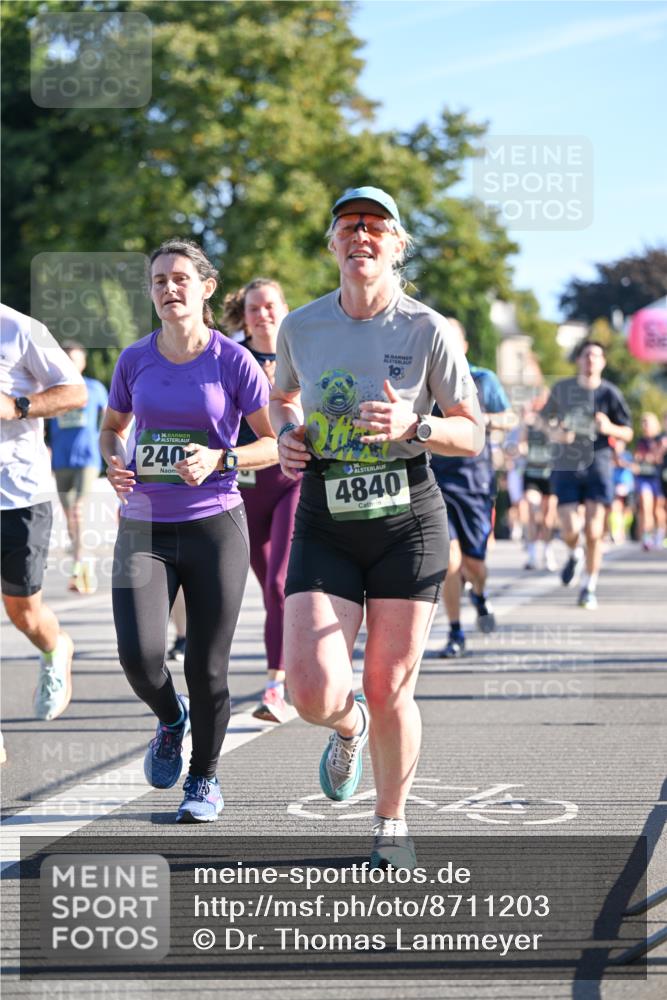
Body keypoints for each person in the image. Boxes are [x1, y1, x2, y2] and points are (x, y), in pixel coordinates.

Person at [270, 186, 483, 868]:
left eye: (376, 226)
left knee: (390, 683)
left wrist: (415, 424)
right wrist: (285, 437)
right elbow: (281, 398)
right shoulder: (300, 326)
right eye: (348, 225)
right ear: (332, 244)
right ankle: (346, 726)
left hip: (406, 522)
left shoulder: (427, 330)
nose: (361, 234)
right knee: (310, 692)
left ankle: (390, 822)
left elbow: (472, 433)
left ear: (396, 246)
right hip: (326, 514)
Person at [100, 238, 277, 823]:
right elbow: (113, 426)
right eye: (158, 281)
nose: (169, 289)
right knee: (139, 654)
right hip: (144, 523)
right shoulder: (135, 359)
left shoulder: (233, 361)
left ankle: (203, 779)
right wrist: (112, 459)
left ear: (205, 288)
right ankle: (171, 718)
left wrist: (221, 459)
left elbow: (271, 443)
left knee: (207, 667)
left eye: (180, 278)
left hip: (214, 524)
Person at [1, 303, 86, 723]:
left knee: (24, 611)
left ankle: (56, 647)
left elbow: (74, 391)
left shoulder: (17, 327)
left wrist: (16, 406)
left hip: (17, 494)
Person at [222, 278, 299, 723]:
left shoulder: (302, 347)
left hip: (291, 477)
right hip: (244, 482)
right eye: (254, 308)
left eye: (271, 305)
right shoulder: (232, 355)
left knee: (280, 582)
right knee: (270, 589)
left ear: (285, 308)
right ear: (244, 314)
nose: (263, 314)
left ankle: (276, 687)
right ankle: (304, 657)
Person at [431, 319, 512, 659]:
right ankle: (455, 630)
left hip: (474, 480)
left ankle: (479, 594)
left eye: (453, 339)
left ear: (463, 345)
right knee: (449, 561)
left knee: (474, 564)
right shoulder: (425, 379)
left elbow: (509, 418)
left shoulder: (482, 379)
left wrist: (484, 420)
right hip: (435, 478)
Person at [543, 340, 632, 609]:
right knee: (570, 529)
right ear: (579, 360)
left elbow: (628, 431)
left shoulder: (610, 394)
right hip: (568, 465)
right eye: (586, 355)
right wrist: (559, 434)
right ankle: (574, 552)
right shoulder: (562, 389)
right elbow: (545, 424)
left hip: (599, 464)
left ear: (603, 362)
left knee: (594, 532)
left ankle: (588, 586)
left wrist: (610, 428)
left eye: (596, 355)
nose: (591, 359)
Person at [48, 341, 108, 594]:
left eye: (75, 358)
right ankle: (82, 560)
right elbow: (42, 423)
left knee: (77, 509)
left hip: (87, 458)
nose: (72, 363)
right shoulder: (52, 390)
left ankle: (79, 561)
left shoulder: (94, 388)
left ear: (83, 362)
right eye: (67, 358)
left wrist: (110, 447)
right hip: (60, 460)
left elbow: (110, 420)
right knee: (68, 513)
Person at [521, 396, 557, 572]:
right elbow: (522, 443)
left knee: (548, 518)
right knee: (532, 507)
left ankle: (548, 553)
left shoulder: (553, 423)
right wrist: (522, 449)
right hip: (532, 473)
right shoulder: (529, 424)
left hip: (549, 474)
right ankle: (532, 554)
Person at [632, 412, 665, 550]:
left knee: (657, 509)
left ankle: (660, 533)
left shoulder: (661, 438)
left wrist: (656, 453)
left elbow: (658, 458)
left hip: (657, 478)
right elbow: (637, 458)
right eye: (643, 422)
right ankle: (647, 537)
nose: (645, 425)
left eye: (647, 422)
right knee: (645, 506)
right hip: (643, 478)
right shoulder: (640, 441)